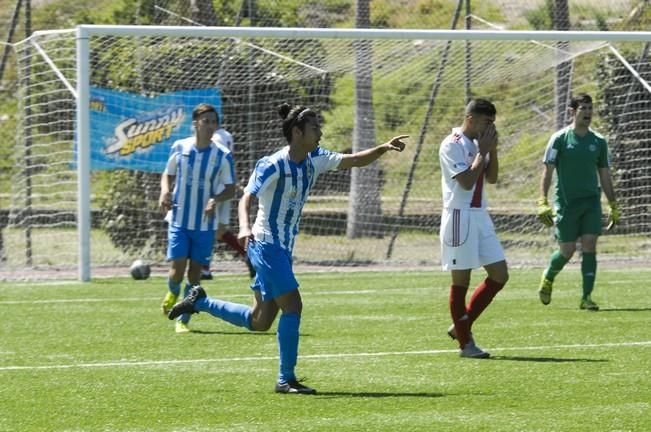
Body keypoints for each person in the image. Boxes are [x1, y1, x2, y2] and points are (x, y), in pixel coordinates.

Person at [168, 103, 408, 394]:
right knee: (294, 305)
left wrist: (383, 147)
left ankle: (201, 301)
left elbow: (355, 160)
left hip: (280, 249)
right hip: (266, 245)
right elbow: (246, 198)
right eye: (315, 128)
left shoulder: (315, 158)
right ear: (297, 132)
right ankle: (286, 379)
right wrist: (243, 228)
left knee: (260, 320)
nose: (320, 132)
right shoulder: (273, 164)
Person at [439, 98, 509, 359]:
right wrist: (483, 152)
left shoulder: (482, 143)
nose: (490, 127)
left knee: (500, 275)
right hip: (459, 217)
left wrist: (493, 150)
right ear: (470, 119)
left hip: (480, 216)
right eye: (486, 122)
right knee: (461, 281)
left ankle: (461, 326)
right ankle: (466, 345)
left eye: (493, 123)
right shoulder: (452, 144)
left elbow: (491, 177)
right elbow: (467, 182)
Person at [536, 93, 619, 311]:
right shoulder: (560, 139)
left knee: (590, 245)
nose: (588, 113)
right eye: (584, 108)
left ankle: (586, 297)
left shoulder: (598, 141)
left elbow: (605, 174)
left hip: (591, 202)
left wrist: (613, 204)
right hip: (566, 204)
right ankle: (548, 276)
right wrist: (542, 201)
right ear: (572, 112)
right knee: (567, 251)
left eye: (590, 108)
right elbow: (547, 171)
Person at [159, 103, 236, 333]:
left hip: (204, 224)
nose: (211, 126)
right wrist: (164, 190)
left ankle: (183, 320)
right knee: (177, 267)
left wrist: (215, 199)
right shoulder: (180, 147)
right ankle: (173, 291)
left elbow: (231, 188)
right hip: (179, 218)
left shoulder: (222, 155)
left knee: (194, 272)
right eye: (206, 121)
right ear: (195, 123)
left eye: (214, 122)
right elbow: (168, 173)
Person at [200, 115, 256, 281]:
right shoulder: (226, 135)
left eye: (209, 121)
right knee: (220, 231)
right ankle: (248, 256)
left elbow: (217, 160)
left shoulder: (215, 138)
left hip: (215, 187)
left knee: (208, 227)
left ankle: (204, 268)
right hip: (225, 184)